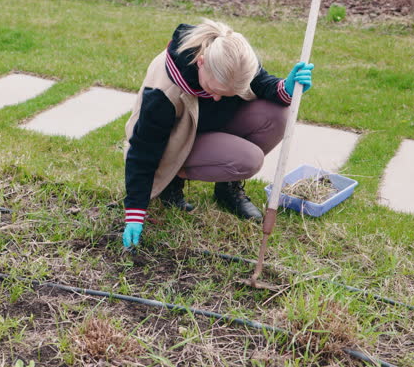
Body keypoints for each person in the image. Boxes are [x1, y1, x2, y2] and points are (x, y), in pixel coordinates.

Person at [122, 19, 313, 249]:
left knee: (279, 115)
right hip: (170, 144)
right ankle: (172, 182)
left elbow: (262, 84)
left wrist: (287, 88)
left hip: (207, 128)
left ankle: (227, 189)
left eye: (226, 94)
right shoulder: (163, 92)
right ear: (201, 62)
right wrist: (135, 212)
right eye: (213, 90)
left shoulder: (235, 59)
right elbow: (143, 150)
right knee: (248, 159)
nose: (216, 98)